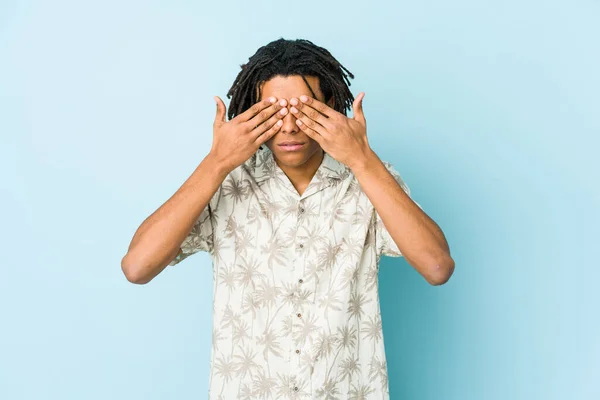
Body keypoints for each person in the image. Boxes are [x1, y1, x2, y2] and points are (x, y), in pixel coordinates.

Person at [122, 38, 454, 399]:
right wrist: (216, 163)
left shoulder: (370, 180)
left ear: (332, 107)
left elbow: (437, 267)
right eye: (274, 112)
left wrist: (362, 160)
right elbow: (137, 267)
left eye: (305, 111)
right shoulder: (226, 181)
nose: (291, 127)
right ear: (250, 112)